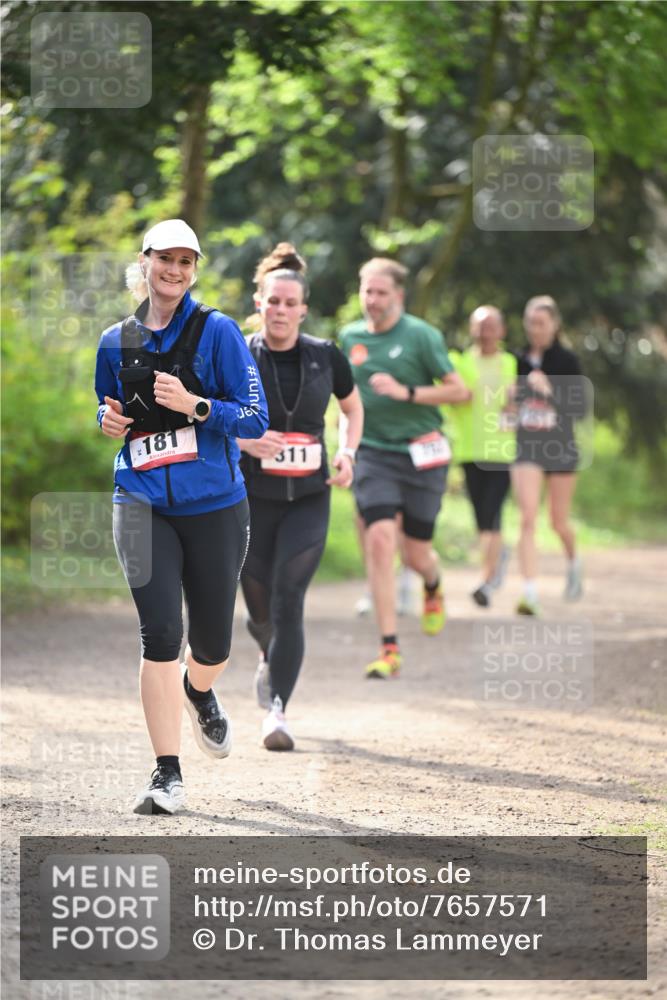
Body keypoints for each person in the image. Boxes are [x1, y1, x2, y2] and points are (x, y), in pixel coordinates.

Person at [95, 219, 268, 814]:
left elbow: (255, 419)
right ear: (144, 262)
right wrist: (105, 420)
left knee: (212, 644)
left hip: (215, 505)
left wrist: (196, 406)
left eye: (185, 261)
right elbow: (106, 408)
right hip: (139, 500)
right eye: (164, 258)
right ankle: (166, 773)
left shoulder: (218, 331)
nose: (173, 270)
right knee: (161, 635)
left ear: (194, 270)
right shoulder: (114, 340)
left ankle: (199, 691)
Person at [238, 243, 363, 749]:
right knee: (260, 610)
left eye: (291, 304)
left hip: (309, 497)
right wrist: (244, 440)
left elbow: (352, 409)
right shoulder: (237, 353)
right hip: (249, 496)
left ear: (303, 309)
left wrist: (348, 452)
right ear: (260, 303)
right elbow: (207, 414)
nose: (281, 311)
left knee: (289, 598)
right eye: (273, 302)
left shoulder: (325, 355)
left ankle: (277, 711)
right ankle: (266, 649)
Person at [339, 258, 469, 678]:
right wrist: (345, 449)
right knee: (379, 539)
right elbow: (345, 402)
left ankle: (432, 582)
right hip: (374, 453)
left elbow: (459, 392)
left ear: (398, 295)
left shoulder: (421, 335)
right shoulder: (350, 337)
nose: (373, 300)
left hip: (422, 454)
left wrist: (406, 392)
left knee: (415, 554)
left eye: (381, 293)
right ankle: (389, 648)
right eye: (367, 291)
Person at [512, 295, 586, 615]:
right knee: (527, 517)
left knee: (558, 521)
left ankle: (574, 561)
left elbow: (580, 410)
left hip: (560, 448)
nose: (535, 328)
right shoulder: (516, 360)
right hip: (526, 447)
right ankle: (530, 593)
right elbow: (505, 408)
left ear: (555, 325)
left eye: (541, 323)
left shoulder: (567, 361)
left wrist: (549, 391)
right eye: (531, 322)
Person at [448, 305, 517, 607]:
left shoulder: (509, 362)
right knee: (481, 518)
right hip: (469, 449)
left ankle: (487, 580)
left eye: (491, 326)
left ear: (502, 331)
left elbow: (513, 402)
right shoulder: (459, 362)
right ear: (471, 329)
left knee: (492, 512)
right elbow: (450, 397)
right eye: (479, 325)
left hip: (501, 451)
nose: (485, 331)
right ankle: (496, 561)